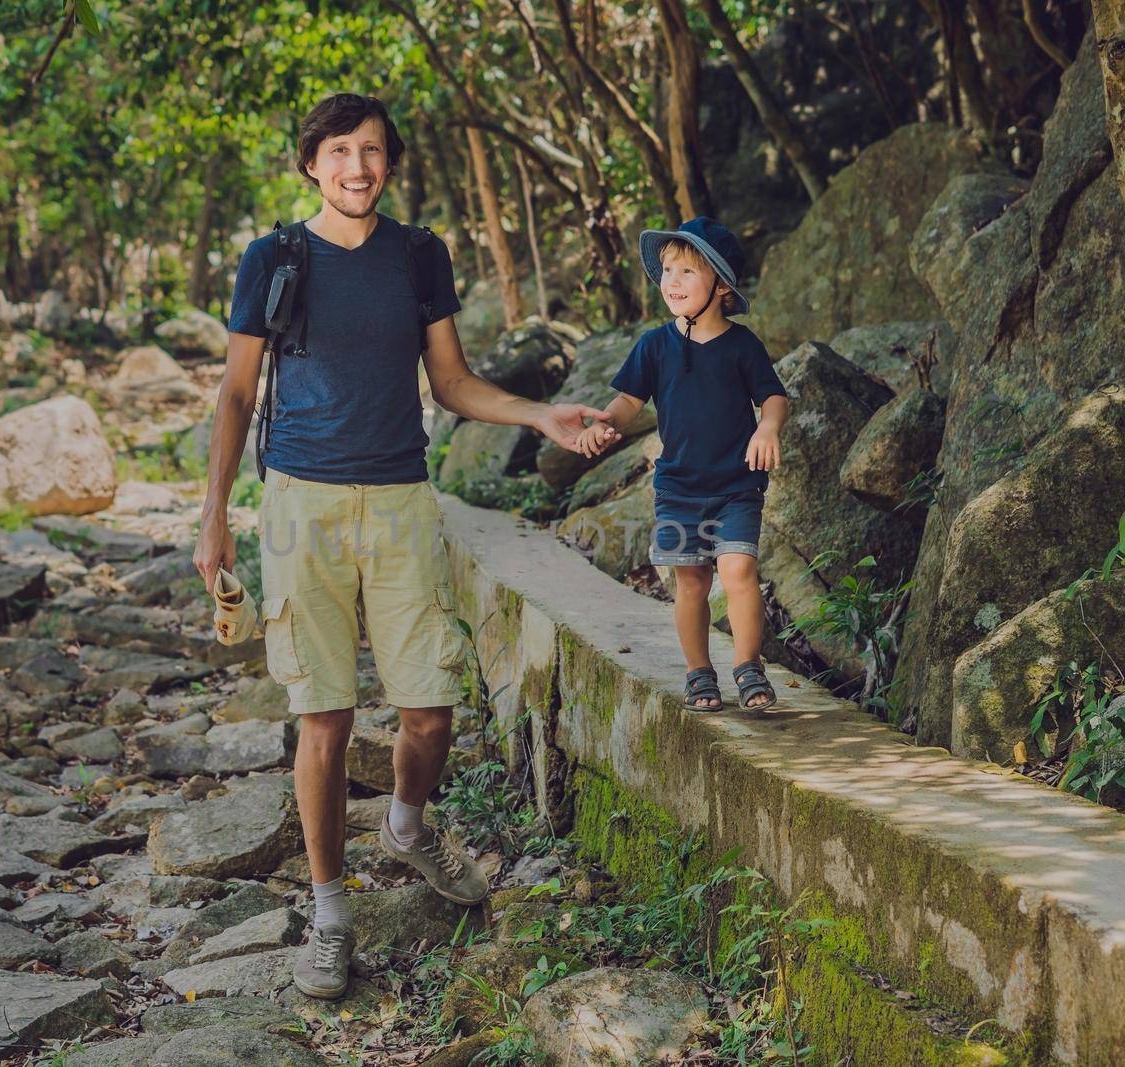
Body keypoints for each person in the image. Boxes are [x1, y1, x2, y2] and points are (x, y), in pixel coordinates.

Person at [192, 93, 618, 1000]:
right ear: (311, 163)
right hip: (299, 503)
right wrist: (215, 514)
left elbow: (454, 382)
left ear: (390, 163)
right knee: (326, 718)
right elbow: (235, 394)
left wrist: (542, 411)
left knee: (429, 710)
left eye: (373, 151)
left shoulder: (419, 255)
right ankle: (330, 912)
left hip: (399, 500)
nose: (357, 166)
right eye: (340, 151)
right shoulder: (275, 257)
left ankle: (407, 825)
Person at [577, 216, 789, 713]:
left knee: (739, 568)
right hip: (678, 489)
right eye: (667, 270)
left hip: (737, 485)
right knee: (690, 579)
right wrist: (603, 424)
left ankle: (748, 667)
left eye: (687, 272)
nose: (671, 281)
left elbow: (774, 397)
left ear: (720, 287)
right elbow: (628, 402)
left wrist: (767, 427)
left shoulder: (742, 345)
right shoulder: (654, 345)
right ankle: (699, 673)